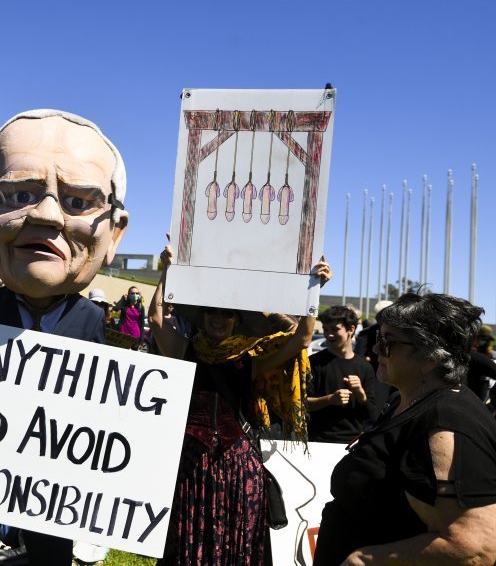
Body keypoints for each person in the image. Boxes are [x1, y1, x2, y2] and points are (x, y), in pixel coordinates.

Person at [0, 109, 128, 566]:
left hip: (56, 481)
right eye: (20, 195)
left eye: (77, 202)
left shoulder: (91, 321)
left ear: (114, 235)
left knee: (51, 554)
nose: (47, 215)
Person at [150, 242, 331, 565]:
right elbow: (156, 317)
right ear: (203, 316)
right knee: (188, 531)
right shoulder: (185, 349)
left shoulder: (251, 359)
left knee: (238, 538)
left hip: (238, 461)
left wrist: (313, 289)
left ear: (237, 320)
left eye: (226, 313)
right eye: (212, 312)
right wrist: (168, 271)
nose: (218, 319)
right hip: (192, 460)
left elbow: (302, 338)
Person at [313, 292, 496, 565]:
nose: (375, 350)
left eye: (388, 342)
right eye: (378, 339)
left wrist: (366, 559)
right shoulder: (407, 399)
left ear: (431, 356)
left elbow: (475, 548)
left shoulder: (446, 421)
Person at [306, 305, 379, 443]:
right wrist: (329, 399)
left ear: (351, 330)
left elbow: (372, 415)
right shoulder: (313, 362)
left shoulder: (365, 368)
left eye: (335, 329)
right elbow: (301, 405)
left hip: (352, 442)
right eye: (326, 329)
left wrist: (360, 394)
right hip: (317, 440)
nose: (329, 335)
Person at [117, 285, 145, 350]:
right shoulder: (125, 304)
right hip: (123, 334)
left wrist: (141, 342)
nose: (135, 295)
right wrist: (122, 299)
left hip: (135, 336)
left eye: (137, 293)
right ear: (129, 294)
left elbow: (142, 324)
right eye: (132, 293)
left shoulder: (141, 307)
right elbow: (116, 308)